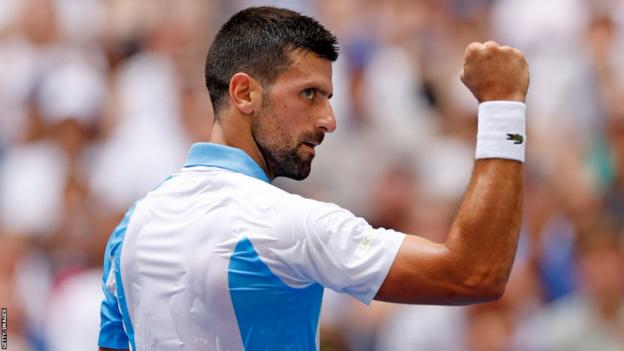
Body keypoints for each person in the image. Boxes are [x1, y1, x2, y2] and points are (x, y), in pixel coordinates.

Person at [98, 6, 529, 351]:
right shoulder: (287, 224)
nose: (329, 120)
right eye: (309, 94)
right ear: (244, 93)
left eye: (328, 97)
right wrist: (502, 106)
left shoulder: (131, 227)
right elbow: (474, 273)